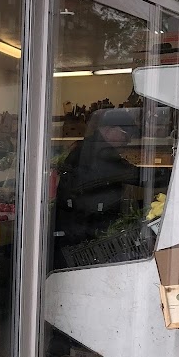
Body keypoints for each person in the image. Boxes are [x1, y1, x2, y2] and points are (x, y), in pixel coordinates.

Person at [54, 108, 142, 268]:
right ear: (108, 130)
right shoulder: (100, 151)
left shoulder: (86, 146)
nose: (128, 140)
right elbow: (135, 175)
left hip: (76, 224)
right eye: (125, 134)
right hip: (85, 228)